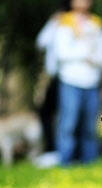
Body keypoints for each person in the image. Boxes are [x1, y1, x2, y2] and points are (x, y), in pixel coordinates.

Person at [54, 0, 102, 165]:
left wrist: (91, 56)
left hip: (92, 81)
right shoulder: (65, 20)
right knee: (68, 124)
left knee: (90, 126)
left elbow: (101, 53)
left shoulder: (96, 22)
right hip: (70, 80)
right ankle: (65, 160)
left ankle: (90, 161)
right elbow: (61, 53)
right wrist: (84, 53)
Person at [34, 0, 70, 168]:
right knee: (46, 112)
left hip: (68, 76)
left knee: (65, 116)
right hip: (54, 76)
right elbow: (41, 42)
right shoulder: (58, 20)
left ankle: (60, 152)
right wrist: (54, 22)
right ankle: (52, 150)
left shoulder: (78, 21)